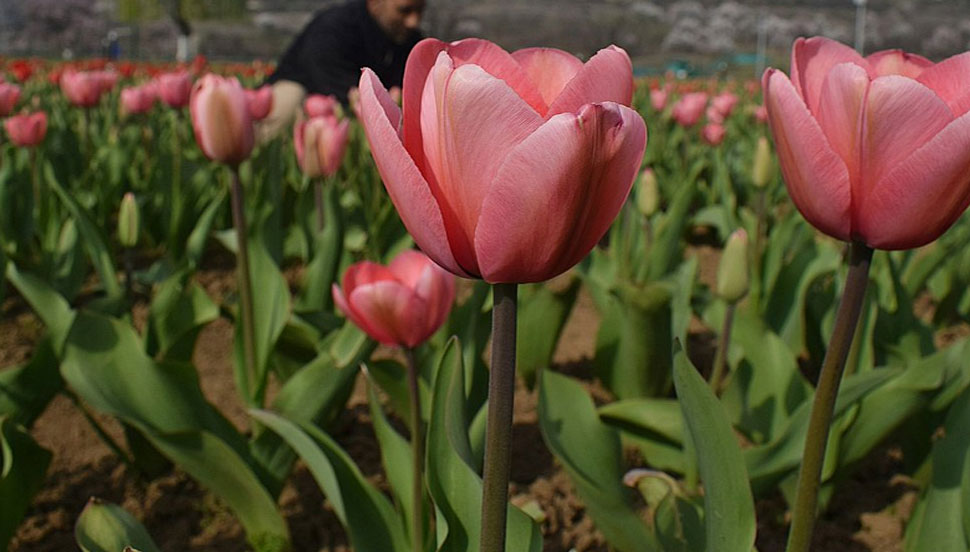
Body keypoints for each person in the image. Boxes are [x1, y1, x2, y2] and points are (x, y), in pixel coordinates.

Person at [259, 0, 425, 141]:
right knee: (290, 97)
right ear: (375, 3)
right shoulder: (334, 27)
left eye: (420, 11)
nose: (413, 21)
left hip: (355, 112)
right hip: (309, 95)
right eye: (404, 10)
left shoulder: (410, 41)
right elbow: (329, 79)